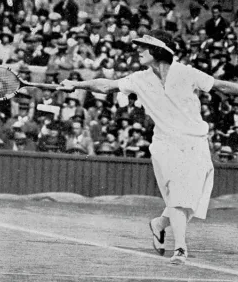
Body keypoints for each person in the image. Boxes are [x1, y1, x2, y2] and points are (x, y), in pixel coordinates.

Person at [58, 29, 238, 265]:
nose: (138, 50)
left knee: (190, 201)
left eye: (144, 46)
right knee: (178, 195)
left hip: (196, 143)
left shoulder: (187, 73)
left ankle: (160, 224)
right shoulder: (139, 79)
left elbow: (222, 86)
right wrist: (76, 84)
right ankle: (181, 248)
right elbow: (106, 86)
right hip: (165, 144)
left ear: (158, 49)